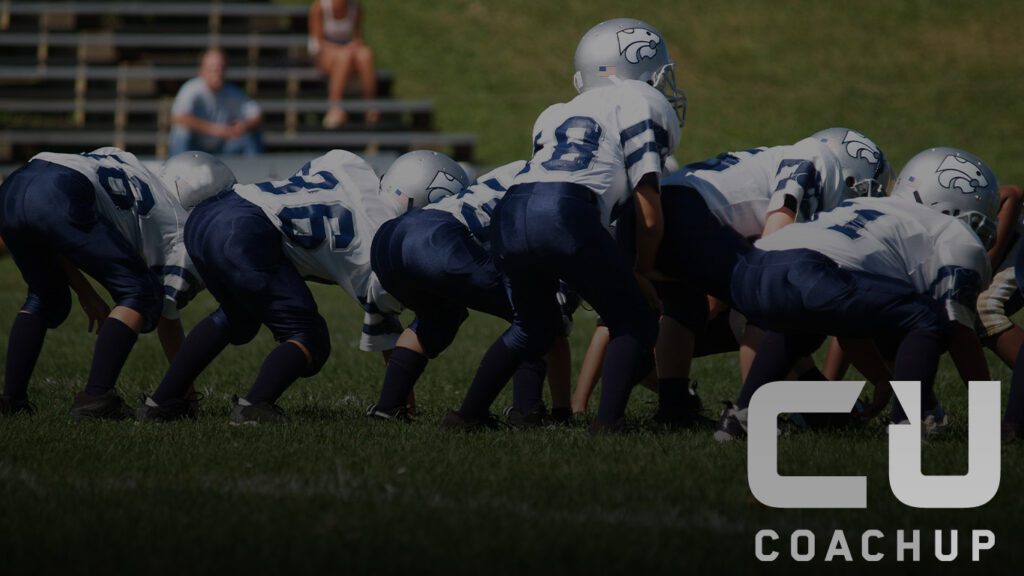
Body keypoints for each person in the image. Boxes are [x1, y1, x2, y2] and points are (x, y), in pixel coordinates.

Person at [444, 18, 684, 433]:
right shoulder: (641, 101)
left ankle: (467, 415)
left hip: (511, 211)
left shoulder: (556, 111)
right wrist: (643, 270)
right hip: (565, 211)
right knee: (633, 320)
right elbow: (648, 209)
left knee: (531, 327)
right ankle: (608, 423)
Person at [136, 150, 454, 424]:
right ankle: (255, 406)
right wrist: (398, 397)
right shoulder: (378, 241)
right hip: (247, 232)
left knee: (237, 315)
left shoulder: (348, 165)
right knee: (308, 337)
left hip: (212, 214)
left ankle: (163, 402)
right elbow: (381, 313)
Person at [714, 147, 997, 441]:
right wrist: (985, 415)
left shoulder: (864, 205)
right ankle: (909, 427)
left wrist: (884, 380)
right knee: (927, 317)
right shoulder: (951, 231)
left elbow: (848, 323)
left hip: (757, 263)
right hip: (814, 270)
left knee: (804, 320)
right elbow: (959, 329)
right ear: (956, 206)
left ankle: (742, 417)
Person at [0, 148, 228, 418]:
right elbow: (168, 317)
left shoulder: (126, 162)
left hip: (17, 185)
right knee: (140, 292)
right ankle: (96, 396)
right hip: (61, 192)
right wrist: (186, 392)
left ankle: (11, 400)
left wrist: (86, 293)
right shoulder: (180, 228)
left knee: (46, 298)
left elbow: (51, 226)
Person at [368, 157, 575, 427]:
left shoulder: (516, 168)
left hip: (390, 239)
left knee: (439, 318)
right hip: (437, 239)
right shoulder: (561, 186)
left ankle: (389, 407)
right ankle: (521, 411)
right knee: (532, 317)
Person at [168, 49, 264, 156]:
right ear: (202, 71)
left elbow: (256, 114)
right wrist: (215, 129)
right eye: (213, 69)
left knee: (250, 136)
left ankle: (254, 171)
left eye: (221, 68)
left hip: (222, 148)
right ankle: (179, 171)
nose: (218, 73)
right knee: (181, 133)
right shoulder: (191, 89)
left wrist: (243, 125)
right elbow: (177, 117)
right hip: (195, 149)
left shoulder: (232, 92)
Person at [308, 0, 379, 129]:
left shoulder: (356, 8)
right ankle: (334, 106)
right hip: (324, 52)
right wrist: (344, 48)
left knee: (366, 55)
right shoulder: (320, 7)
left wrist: (354, 46)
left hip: (345, 50)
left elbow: (358, 37)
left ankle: (370, 107)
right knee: (344, 57)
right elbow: (318, 42)